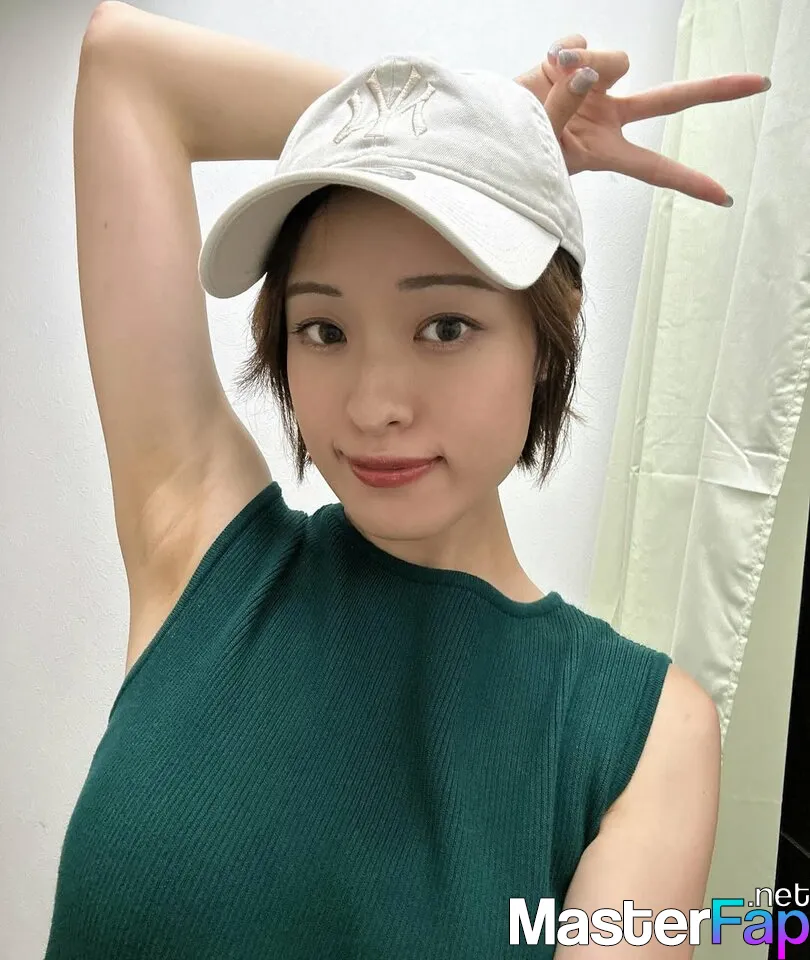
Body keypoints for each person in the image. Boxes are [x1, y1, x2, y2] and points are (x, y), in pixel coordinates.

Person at [46, 4, 768, 957]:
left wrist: (483, 142)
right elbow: (124, 64)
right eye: (324, 330)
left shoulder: (642, 735)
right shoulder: (204, 556)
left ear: (546, 343)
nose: (373, 404)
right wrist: (474, 124)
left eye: (445, 327)